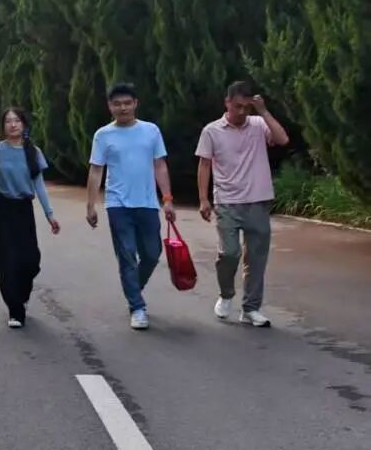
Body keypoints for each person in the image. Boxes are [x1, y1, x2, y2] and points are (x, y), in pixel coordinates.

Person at [196, 82, 290, 328]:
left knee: (256, 259)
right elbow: (204, 165)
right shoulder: (211, 131)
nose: (241, 112)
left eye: (246, 107)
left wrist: (263, 111)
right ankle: (226, 294)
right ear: (227, 102)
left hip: (257, 201)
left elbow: (282, 139)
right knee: (229, 253)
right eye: (237, 106)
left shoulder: (258, 124)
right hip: (227, 201)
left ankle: (251, 308)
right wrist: (204, 199)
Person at [86, 83, 176, 330]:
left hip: (147, 203)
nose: (123, 108)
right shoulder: (103, 135)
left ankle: (133, 287)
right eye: (117, 104)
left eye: (127, 103)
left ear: (136, 104)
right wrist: (90, 205)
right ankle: (137, 307)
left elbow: (160, 165)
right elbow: (96, 170)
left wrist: (167, 199)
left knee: (152, 253)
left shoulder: (151, 131)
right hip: (118, 204)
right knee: (127, 254)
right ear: (110, 107)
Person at [0, 108, 61, 328]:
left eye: (17, 120)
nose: (13, 125)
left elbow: (39, 186)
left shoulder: (33, 152)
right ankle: (15, 310)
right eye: (8, 121)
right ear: (3, 126)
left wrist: (50, 215)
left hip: (23, 209)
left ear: (24, 124)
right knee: (6, 262)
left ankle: (22, 296)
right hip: (1, 210)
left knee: (31, 261)